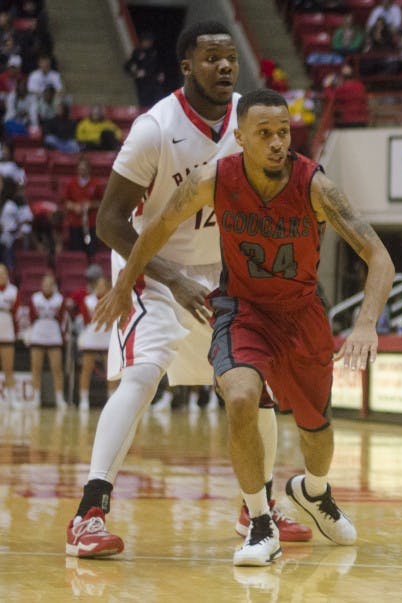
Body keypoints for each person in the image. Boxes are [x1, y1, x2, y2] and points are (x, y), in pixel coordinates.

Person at [93, 88, 395, 566]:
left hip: (300, 314)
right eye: (265, 134)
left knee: (316, 430)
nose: (277, 143)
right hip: (242, 309)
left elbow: (379, 256)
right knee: (239, 397)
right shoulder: (214, 179)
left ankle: (313, 492)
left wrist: (365, 324)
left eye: (284, 132)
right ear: (240, 139)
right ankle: (259, 521)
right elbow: (159, 227)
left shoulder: (315, 185)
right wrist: (124, 281)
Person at [65, 22, 310, 561]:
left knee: (254, 384)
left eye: (230, 59)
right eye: (212, 58)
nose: (225, 67)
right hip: (150, 266)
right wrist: (168, 277)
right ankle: (89, 512)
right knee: (143, 374)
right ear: (186, 67)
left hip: (221, 271)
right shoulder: (155, 128)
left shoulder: (253, 123)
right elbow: (109, 222)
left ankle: (257, 506)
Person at [28, 272, 66, 408]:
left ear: (54, 286)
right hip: (38, 332)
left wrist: (63, 335)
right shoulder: (35, 298)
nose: (47, 286)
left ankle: (59, 398)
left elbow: (63, 319)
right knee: (36, 368)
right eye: (45, 284)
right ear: (41, 285)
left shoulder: (60, 299)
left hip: (54, 333)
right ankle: (35, 398)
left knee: (57, 369)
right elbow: (31, 317)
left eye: (50, 284)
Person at [74, 269, 111, 410]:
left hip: (107, 334)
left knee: (111, 370)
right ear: (95, 286)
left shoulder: (112, 300)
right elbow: (84, 319)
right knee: (86, 368)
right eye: (98, 285)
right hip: (92, 334)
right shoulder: (87, 300)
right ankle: (84, 399)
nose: (101, 288)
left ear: (107, 287)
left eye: (103, 285)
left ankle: (111, 397)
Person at [61, 157, 102, 256]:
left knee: (91, 251)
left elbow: (102, 202)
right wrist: (74, 207)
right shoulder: (71, 184)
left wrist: (90, 205)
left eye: (84, 168)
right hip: (75, 223)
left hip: (91, 224)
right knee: (76, 252)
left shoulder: (96, 184)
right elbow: (65, 202)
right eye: (80, 168)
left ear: (89, 169)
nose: (82, 170)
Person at [124, 32, 167, 107]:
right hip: (143, 83)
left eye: (150, 41)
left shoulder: (154, 52)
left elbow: (159, 64)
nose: (149, 43)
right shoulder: (137, 52)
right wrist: (135, 73)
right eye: (147, 41)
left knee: (159, 100)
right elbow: (127, 65)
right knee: (144, 102)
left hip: (154, 80)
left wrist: (161, 73)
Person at [0, 264, 18, 404]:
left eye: (3, 273)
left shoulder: (14, 291)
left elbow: (17, 314)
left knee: (8, 367)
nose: (1, 275)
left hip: (7, 330)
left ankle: (12, 398)